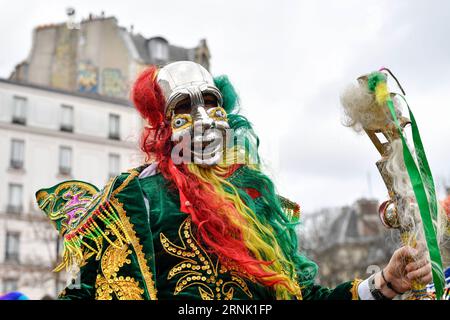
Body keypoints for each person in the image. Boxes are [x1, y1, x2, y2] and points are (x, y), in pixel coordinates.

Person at [35, 61, 432, 300]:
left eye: (212, 103)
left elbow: (300, 295)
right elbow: (90, 291)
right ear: (161, 124)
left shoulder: (255, 199)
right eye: (185, 108)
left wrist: (384, 283)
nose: (205, 120)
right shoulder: (135, 198)